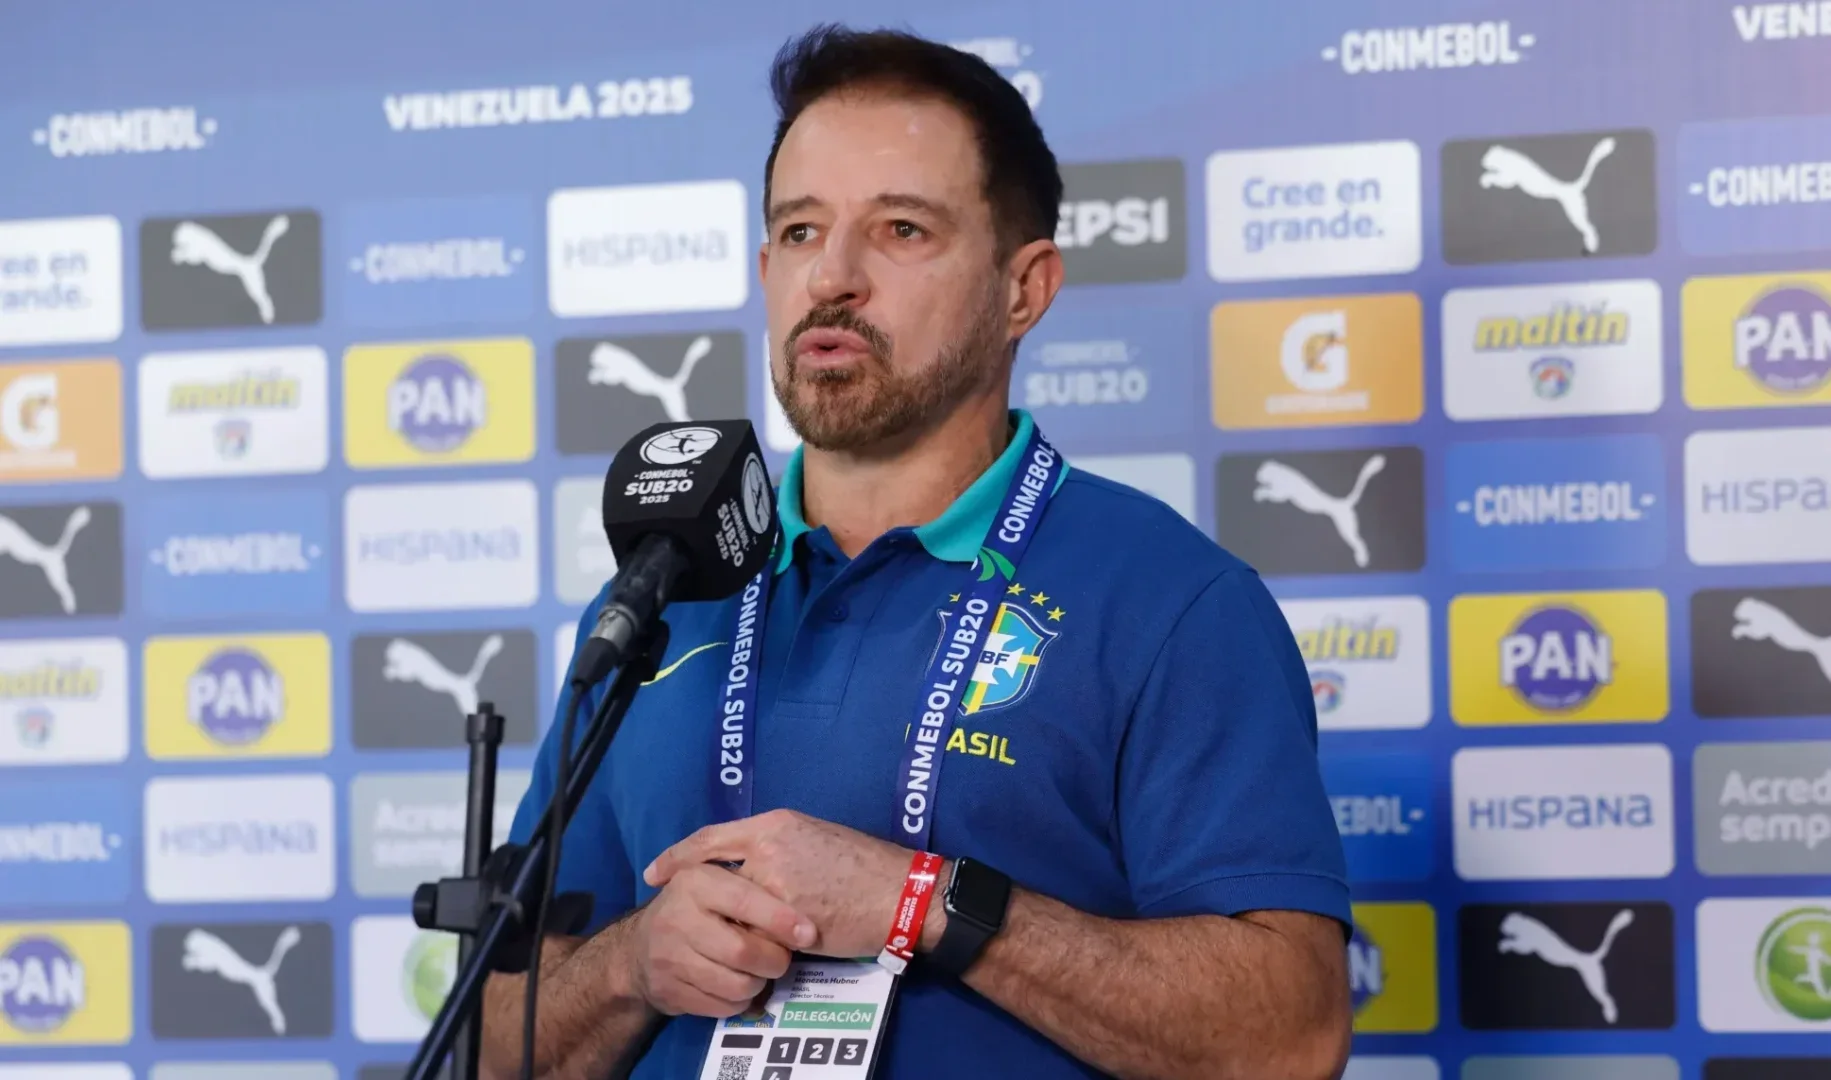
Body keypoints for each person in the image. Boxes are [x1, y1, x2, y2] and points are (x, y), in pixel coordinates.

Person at [482, 24, 1352, 1080]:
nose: (834, 278)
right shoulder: (660, 596)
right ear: (765, 268)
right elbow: (496, 1044)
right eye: (801, 233)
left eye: (899, 229)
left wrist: (923, 904)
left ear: (1023, 289)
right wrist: (633, 964)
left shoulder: (1173, 601)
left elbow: (1288, 1040)